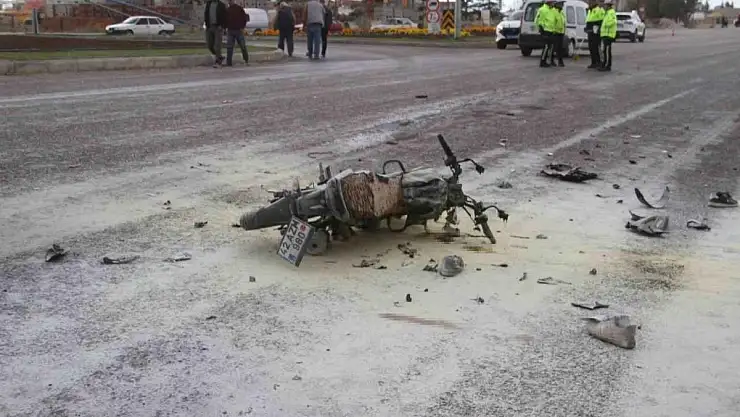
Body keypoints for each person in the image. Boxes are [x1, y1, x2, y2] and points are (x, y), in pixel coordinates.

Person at [225, 0, 249, 66]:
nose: (229, 2)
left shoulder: (239, 8)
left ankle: (246, 60)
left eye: (230, 1)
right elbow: (225, 20)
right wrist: (226, 27)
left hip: (239, 30)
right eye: (229, 1)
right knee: (229, 47)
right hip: (230, 30)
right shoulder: (227, 10)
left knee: (242, 46)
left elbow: (244, 18)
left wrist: (242, 27)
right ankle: (229, 62)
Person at [204, 0, 228, 67]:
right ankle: (219, 57)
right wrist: (206, 25)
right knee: (209, 45)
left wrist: (222, 26)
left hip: (218, 28)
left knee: (217, 46)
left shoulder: (221, 5)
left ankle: (218, 62)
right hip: (209, 27)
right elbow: (206, 14)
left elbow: (225, 17)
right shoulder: (208, 3)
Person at [534, 0, 556, 68]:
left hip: (551, 31)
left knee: (550, 47)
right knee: (546, 47)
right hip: (545, 31)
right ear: (549, 2)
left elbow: (552, 21)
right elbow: (537, 20)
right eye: (553, 2)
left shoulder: (552, 10)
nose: (553, 4)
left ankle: (547, 61)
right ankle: (542, 62)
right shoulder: (542, 10)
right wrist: (541, 30)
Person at [585, 0, 604, 69]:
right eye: (589, 2)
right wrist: (586, 28)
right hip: (590, 31)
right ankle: (593, 62)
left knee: (596, 47)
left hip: (596, 31)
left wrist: (599, 28)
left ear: (595, 2)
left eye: (591, 2)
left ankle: (599, 62)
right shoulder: (589, 11)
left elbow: (602, 20)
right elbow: (588, 20)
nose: (589, 3)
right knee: (591, 47)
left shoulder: (599, 10)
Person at [599, 0, 617, 72]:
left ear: (608, 6)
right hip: (605, 34)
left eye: (605, 5)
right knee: (605, 51)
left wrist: (607, 24)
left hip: (609, 35)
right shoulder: (607, 13)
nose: (604, 6)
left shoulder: (611, 12)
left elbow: (614, 21)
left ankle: (607, 65)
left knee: (607, 51)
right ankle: (604, 64)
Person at [550, 1, 565, 67]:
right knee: (554, 48)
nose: (562, 5)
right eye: (561, 3)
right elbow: (551, 22)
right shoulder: (553, 11)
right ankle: (551, 61)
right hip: (555, 32)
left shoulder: (561, 12)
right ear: (557, 4)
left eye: (563, 4)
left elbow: (563, 22)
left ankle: (560, 61)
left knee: (560, 48)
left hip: (561, 33)